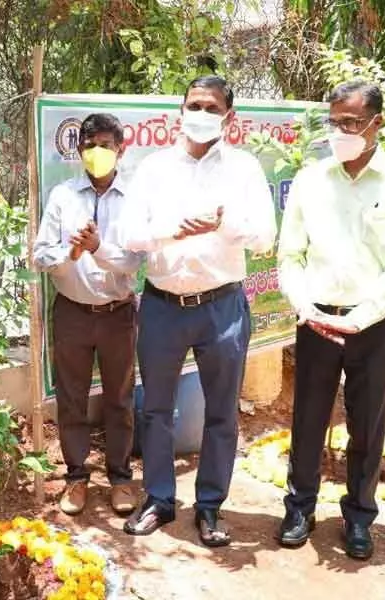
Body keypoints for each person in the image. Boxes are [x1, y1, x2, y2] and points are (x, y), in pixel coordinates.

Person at [276, 80, 385, 560]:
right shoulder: (311, 180)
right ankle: (299, 508)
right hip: (316, 318)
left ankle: (359, 516)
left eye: (351, 122)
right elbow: (291, 255)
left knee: (367, 424)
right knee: (307, 417)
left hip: (373, 323)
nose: (341, 131)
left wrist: (363, 316)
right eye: (335, 121)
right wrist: (304, 305)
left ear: (376, 124)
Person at [122, 75, 277, 546]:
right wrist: (173, 231)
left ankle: (210, 507)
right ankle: (160, 500)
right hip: (163, 306)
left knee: (222, 413)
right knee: (156, 410)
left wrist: (227, 223)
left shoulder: (244, 169)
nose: (202, 114)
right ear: (180, 108)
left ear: (228, 116)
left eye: (212, 108)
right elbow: (130, 236)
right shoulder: (152, 169)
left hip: (221, 307)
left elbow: (267, 237)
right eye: (195, 105)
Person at [33, 113, 141, 517]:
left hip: (118, 314)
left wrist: (96, 248)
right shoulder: (63, 195)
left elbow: (133, 261)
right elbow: (42, 254)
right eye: (91, 144)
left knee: (119, 398)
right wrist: (71, 253)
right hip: (73, 313)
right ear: (79, 150)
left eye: (107, 145)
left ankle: (120, 478)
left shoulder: (133, 199)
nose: (98, 152)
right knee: (72, 398)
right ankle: (77, 478)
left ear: (121, 149)